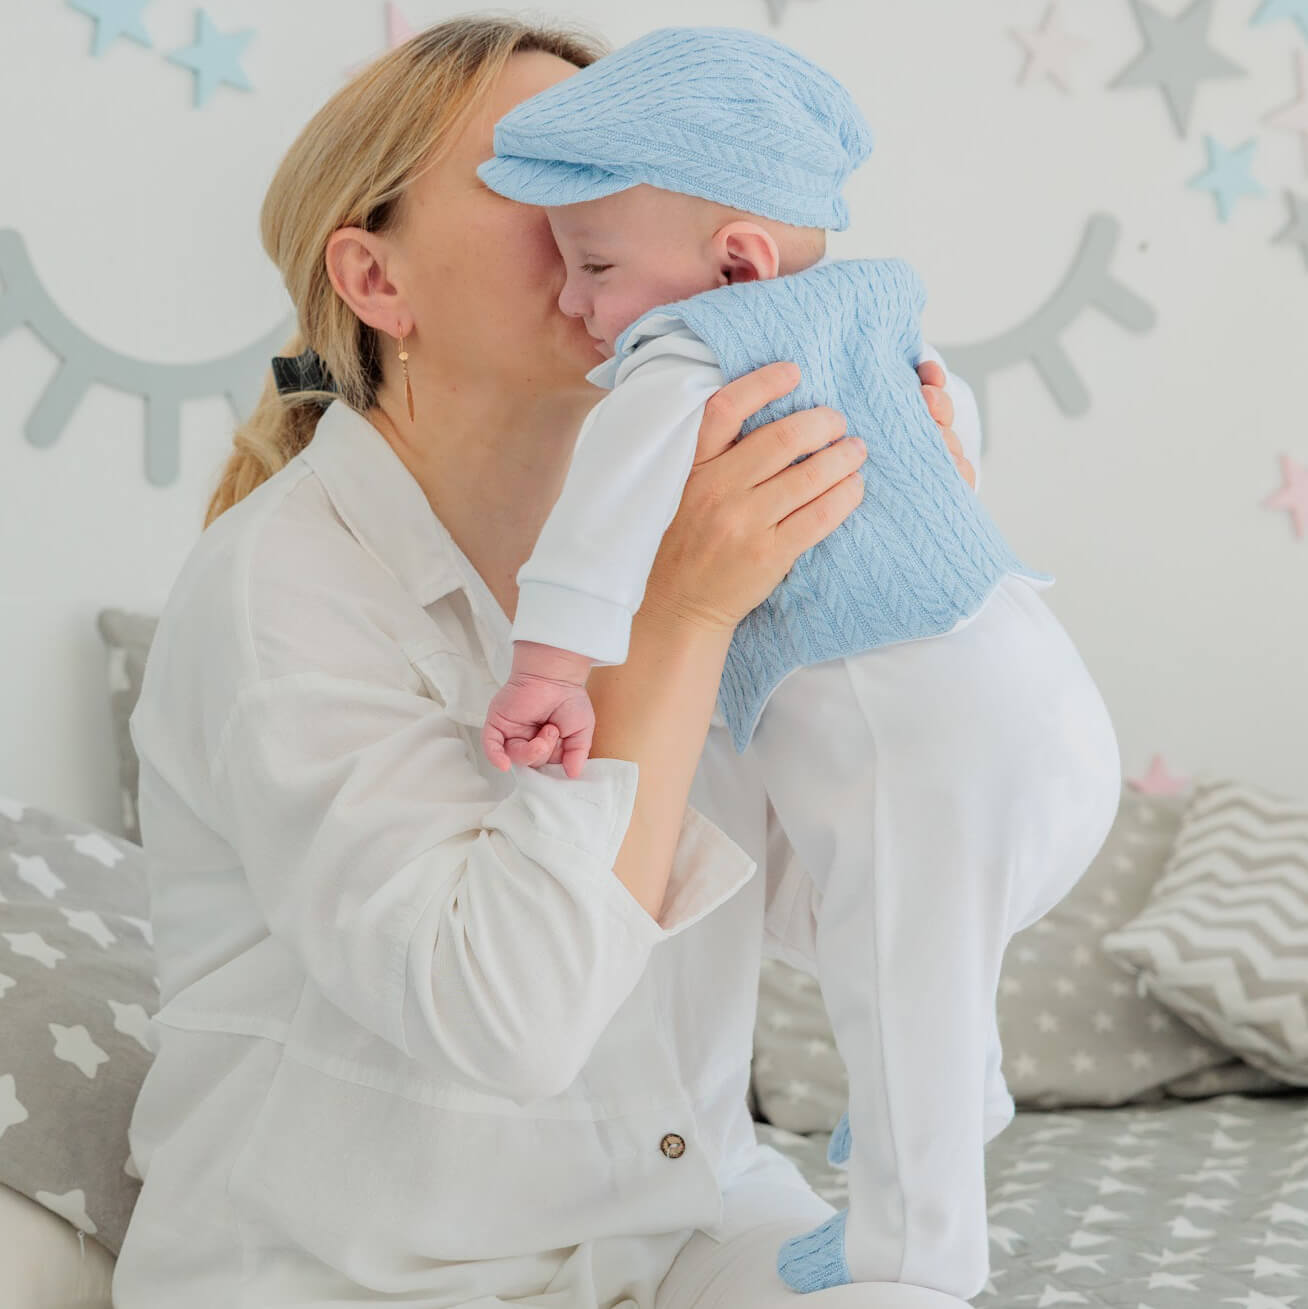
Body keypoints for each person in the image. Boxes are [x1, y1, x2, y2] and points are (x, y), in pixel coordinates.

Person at [112, 15, 995, 1309]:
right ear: (378, 282)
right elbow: (508, 1022)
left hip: (680, 1225)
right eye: (540, 169)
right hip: (353, 1271)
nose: (620, 203)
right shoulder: (277, 588)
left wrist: (896, 628)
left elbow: (832, 908)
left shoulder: (684, 523)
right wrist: (676, 628)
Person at [472, 26, 1122, 1302]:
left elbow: (601, 521)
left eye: (595, 265)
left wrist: (548, 668)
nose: (575, 302)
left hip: (913, 726)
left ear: (734, 262)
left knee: (893, 994)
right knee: (872, 931)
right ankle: (968, 1078)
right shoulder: (878, 308)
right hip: (1037, 688)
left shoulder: (688, 353)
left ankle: (917, 1257)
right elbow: (952, 425)